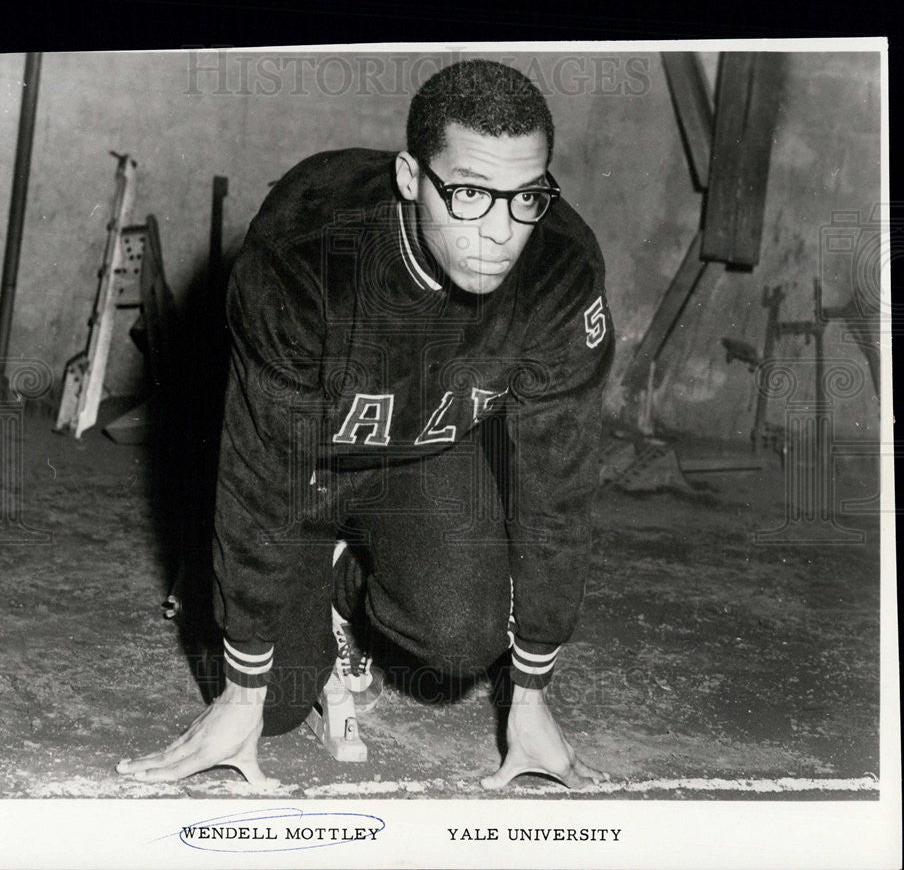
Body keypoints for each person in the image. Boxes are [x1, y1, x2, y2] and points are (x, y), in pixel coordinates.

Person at [117, 59, 614, 790]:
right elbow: (260, 468)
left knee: (460, 638)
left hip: (420, 457)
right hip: (300, 464)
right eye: (471, 194)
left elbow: (557, 488)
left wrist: (532, 695)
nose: (502, 232)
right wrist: (242, 682)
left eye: (526, 196)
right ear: (411, 178)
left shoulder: (559, 272)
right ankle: (225, 566)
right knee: (276, 704)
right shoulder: (307, 249)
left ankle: (348, 584)